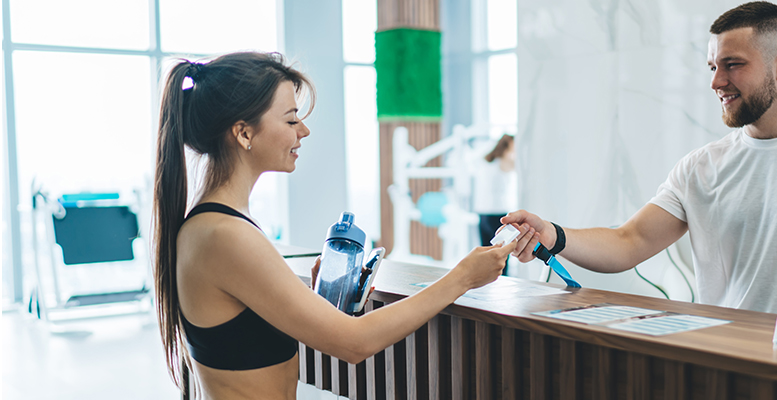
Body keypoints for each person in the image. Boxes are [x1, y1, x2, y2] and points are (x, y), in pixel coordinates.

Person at [503, 1, 777, 334]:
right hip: (725, 363)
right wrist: (552, 234)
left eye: (732, 65)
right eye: (713, 66)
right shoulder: (700, 168)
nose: (715, 82)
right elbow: (628, 240)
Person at [152, 52, 518, 399]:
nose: (304, 131)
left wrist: (315, 303)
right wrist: (463, 277)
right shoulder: (224, 235)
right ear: (244, 134)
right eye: (291, 119)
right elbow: (353, 344)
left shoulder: (215, 226)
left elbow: (247, 343)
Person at [473, 134, 517, 273]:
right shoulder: (503, 162)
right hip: (497, 215)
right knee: (502, 255)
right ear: (509, 145)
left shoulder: (486, 163)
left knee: (487, 253)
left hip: (482, 214)